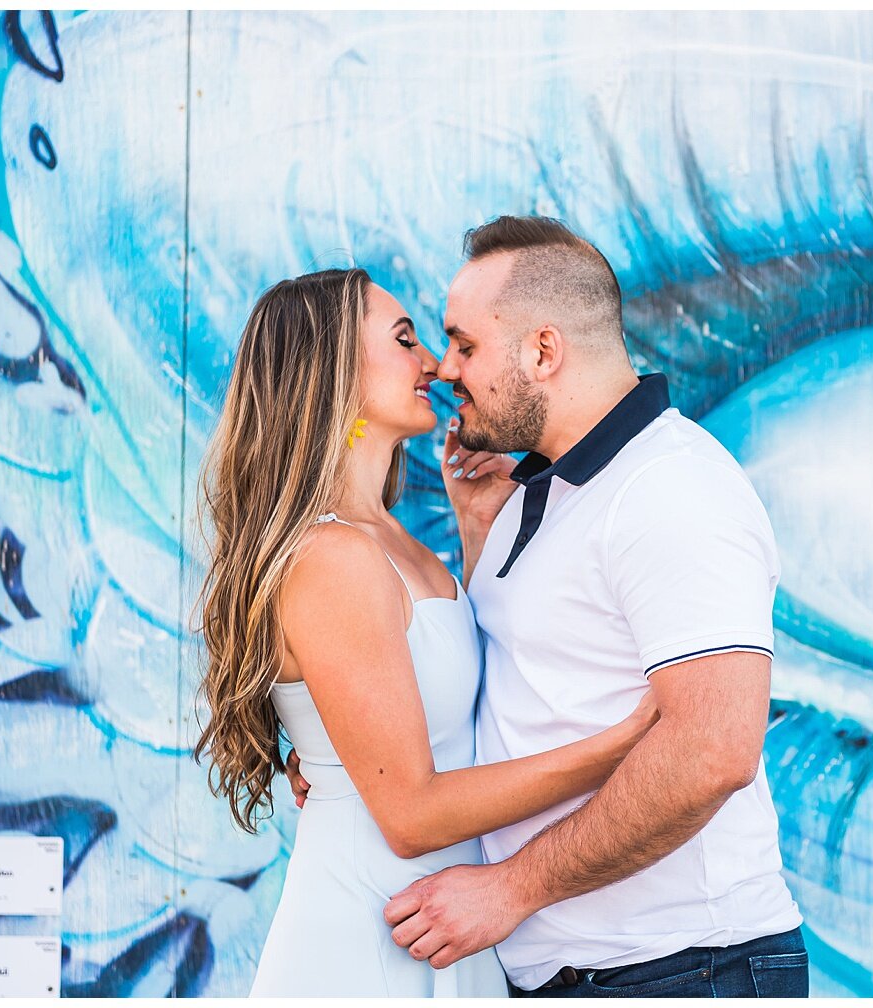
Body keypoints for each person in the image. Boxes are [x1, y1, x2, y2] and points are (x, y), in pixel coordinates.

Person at [371, 216, 809, 997]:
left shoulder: (669, 486)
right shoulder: (540, 490)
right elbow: (528, 691)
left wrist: (510, 889)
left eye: (465, 345)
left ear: (543, 352)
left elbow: (714, 751)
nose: (443, 369)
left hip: (682, 972)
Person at [192, 268, 657, 997]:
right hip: (372, 931)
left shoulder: (391, 540)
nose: (436, 366)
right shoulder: (334, 557)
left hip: (439, 920)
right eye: (405, 341)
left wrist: (476, 529)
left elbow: (444, 689)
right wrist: (623, 746)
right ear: (333, 374)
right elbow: (410, 813)